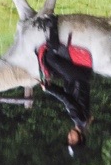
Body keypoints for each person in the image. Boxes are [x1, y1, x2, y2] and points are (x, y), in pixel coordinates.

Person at [34, 14, 95, 153]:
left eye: (69, 140)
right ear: (80, 138)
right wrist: (48, 89)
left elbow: (67, 95)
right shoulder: (79, 119)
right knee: (50, 57)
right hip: (77, 77)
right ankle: (52, 23)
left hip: (77, 78)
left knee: (49, 69)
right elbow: (66, 99)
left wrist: (50, 84)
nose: (69, 137)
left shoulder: (82, 121)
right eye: (72, 140)